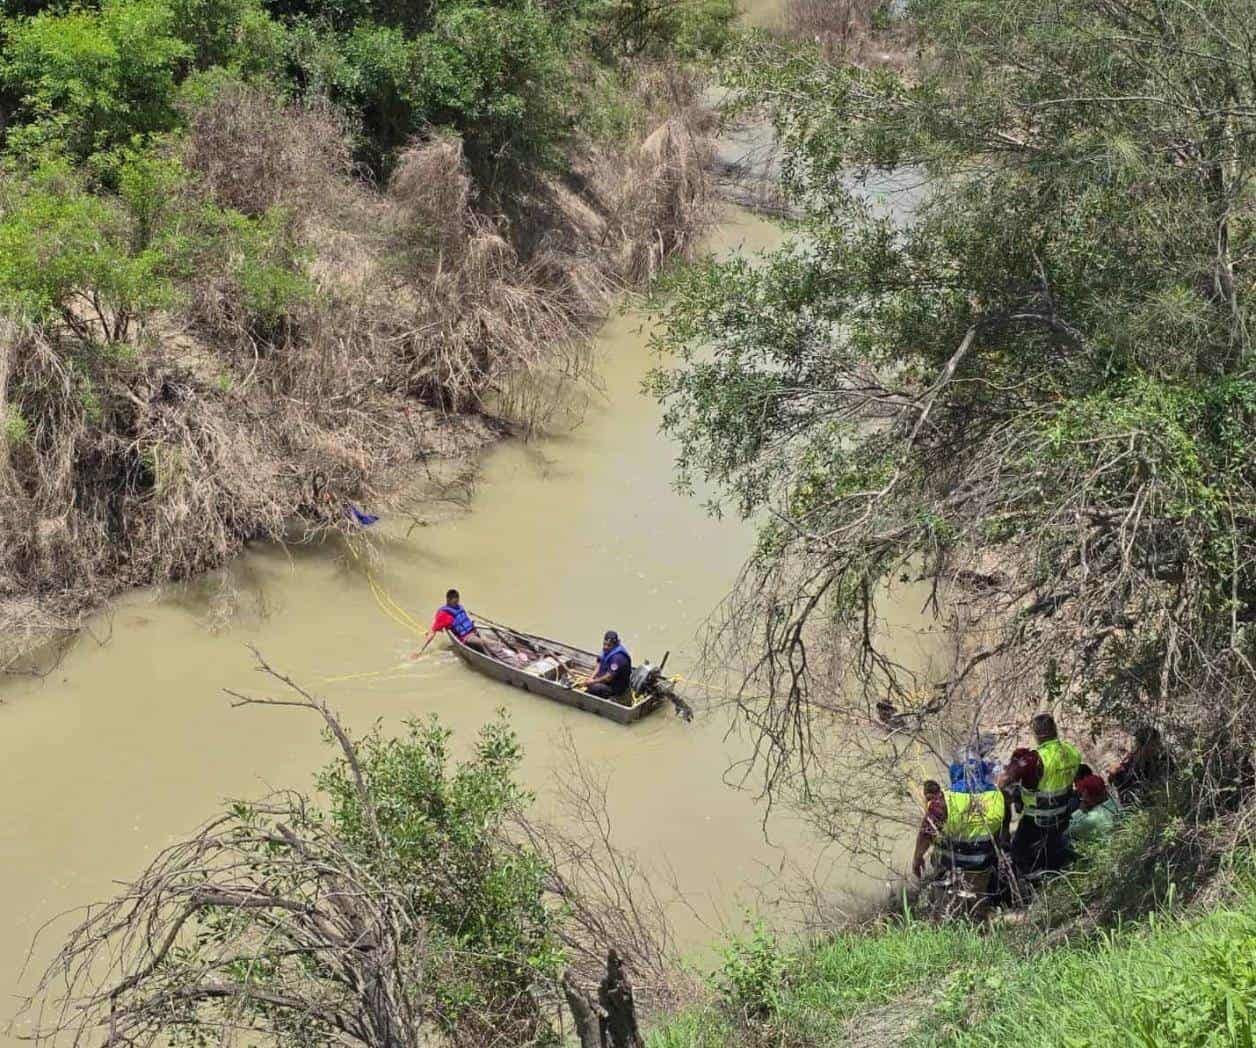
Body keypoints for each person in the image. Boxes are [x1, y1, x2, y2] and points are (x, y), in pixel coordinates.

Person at [997, 712, 1082, 875]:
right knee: (1050, 855)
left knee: (1018, 856)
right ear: (1055, 730)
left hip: (1036, 819)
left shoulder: (1034, 758)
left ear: (1037, 733)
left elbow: (1002, 782)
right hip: (1062, 816)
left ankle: (1026, 888)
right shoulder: (1071, 751)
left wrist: (1014, 766)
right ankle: (1052, 878)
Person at [911, 779, 1009, 899]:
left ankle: (945, 898)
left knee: (937, 850)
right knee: (979, 898)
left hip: (954, 863)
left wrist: (917, 858)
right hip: (983, 863)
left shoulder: (941, 804)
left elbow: (925, 834)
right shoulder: (996, 795)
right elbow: (1003, 829)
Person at [419, 589, 490, 655]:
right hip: (465, 637)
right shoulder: (444, 614)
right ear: (448, 600)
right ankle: (492, 657)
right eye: (454, 602)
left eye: (457, 601)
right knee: (484, 642)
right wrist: (420, 652)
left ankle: (495, 651)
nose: (456, 603)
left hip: (474, 631)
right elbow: (433, 632)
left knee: (492, 638)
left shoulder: (458, 607)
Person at [1066, 773, 1121, 844]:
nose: (1082, 799)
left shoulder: (1091, 819)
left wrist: (1081, 811)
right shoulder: (1115, 801)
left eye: (1083, 797)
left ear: (1092, 797)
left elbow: (1067, 831)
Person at [581, 630, 632, 702]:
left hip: (614, 687)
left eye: (609, 645)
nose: (605, 647)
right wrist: (591, 678)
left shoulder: (618, 658)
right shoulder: (607, 650)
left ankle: (612, 698)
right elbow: (599, 663)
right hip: (605, 679)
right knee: (591, 684)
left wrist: (592, 682)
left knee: (593, 688)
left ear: (615, 644)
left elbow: (608, 678)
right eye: (604, 644)